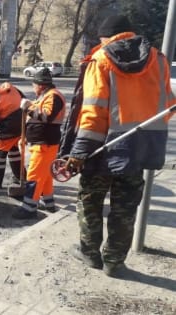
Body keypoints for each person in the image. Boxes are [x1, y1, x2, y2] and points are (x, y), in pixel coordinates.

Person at [65, 15, 176, 277]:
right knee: (125, 207)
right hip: (139, 148)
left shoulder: (101, 60)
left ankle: (90, 253)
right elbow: (168, 106)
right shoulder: (158, 60)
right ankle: (114, 261)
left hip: (101, 148)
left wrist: (79, 152)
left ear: (106, 38)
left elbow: (93, 111)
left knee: (90, 202)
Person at [12, 68, 66, 220]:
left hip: (45, 144)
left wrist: (28, 108)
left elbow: (46, 117)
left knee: (34, 175)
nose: (33, 87)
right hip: (45, 143)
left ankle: (29, 209)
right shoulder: (45, 96)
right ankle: (48, 203)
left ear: (40, 85)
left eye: (34, 85)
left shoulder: (53, 97)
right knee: (46, 175)